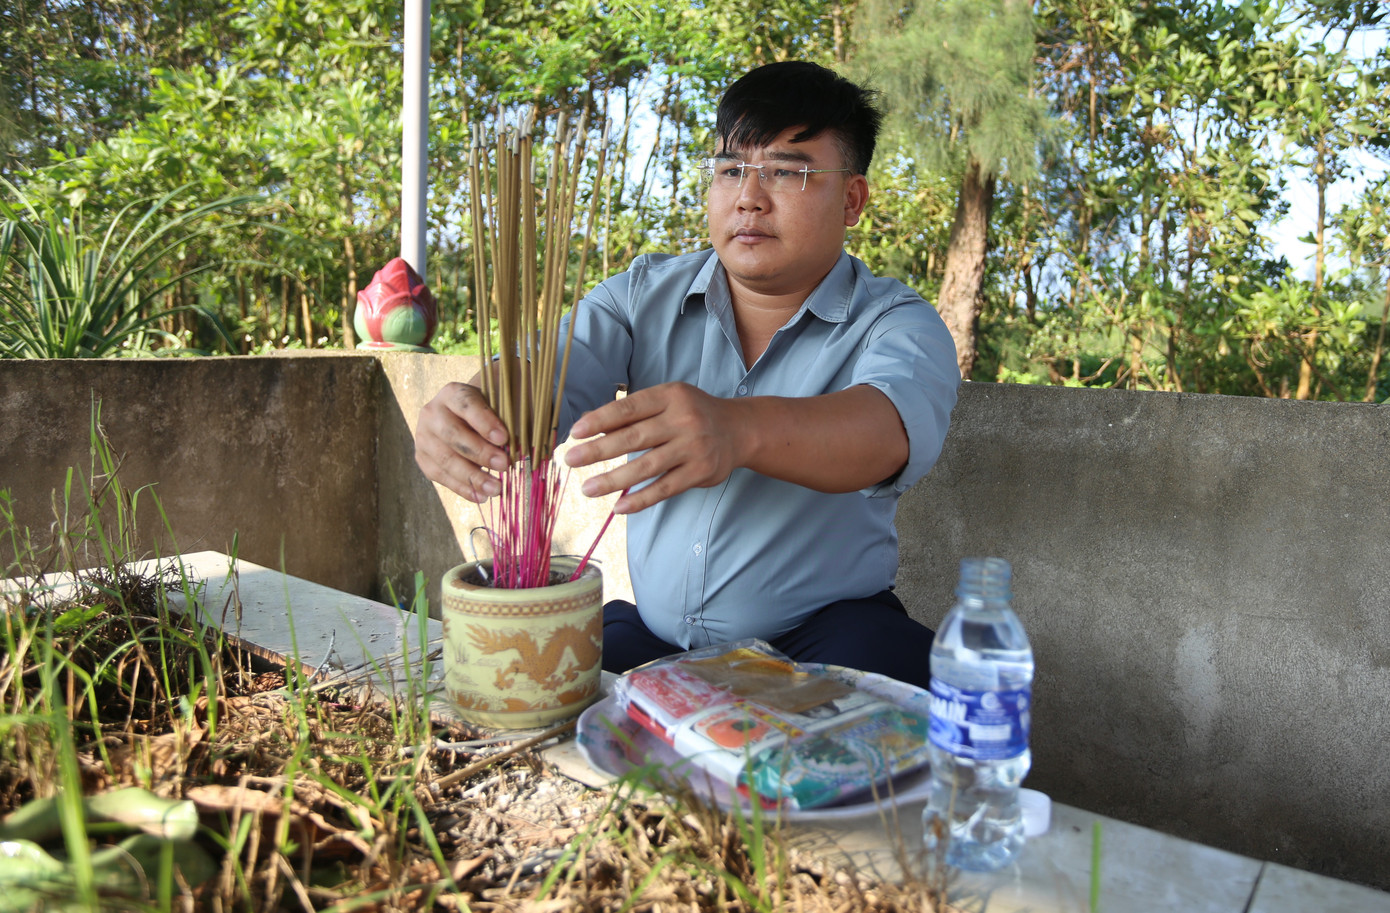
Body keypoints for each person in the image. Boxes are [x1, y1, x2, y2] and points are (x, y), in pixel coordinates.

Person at [414, 61, 959, 690]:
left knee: (909, 702)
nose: (749, 196)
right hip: (656, 636)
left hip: (825, 636)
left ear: (853, 199)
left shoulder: (898, 322)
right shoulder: (643, 294)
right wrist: (476, 409)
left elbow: (884, 430)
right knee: (520, 691)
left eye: (787, 171)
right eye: (730, 169)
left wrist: (738, 430)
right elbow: (545, 371)